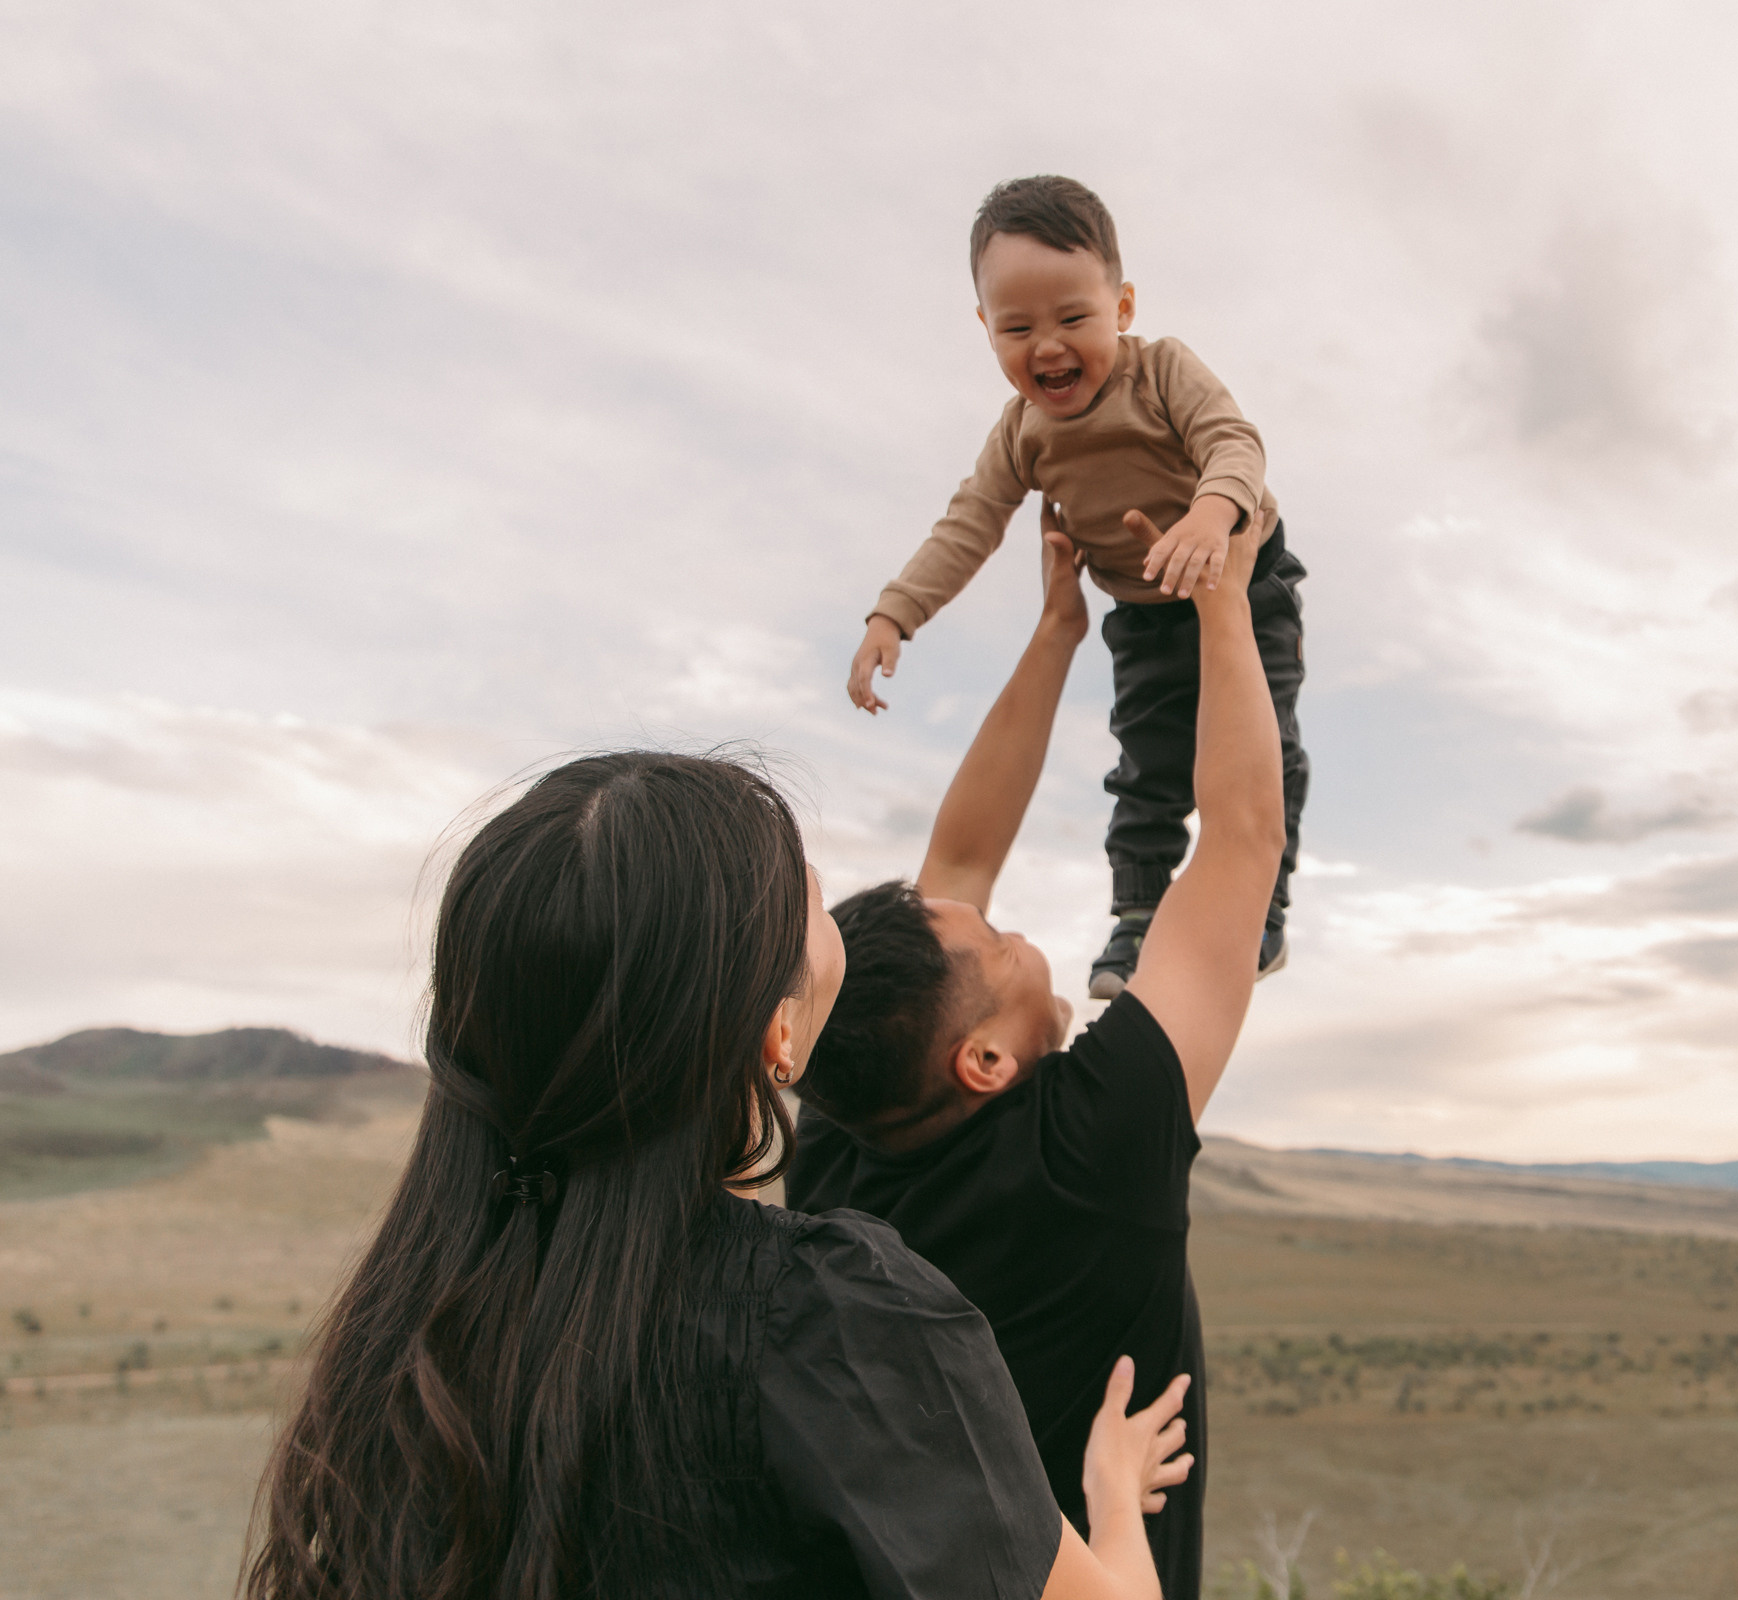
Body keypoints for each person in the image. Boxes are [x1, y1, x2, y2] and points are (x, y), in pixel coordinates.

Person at [243, 750, 1191, 1600]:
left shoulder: (404, 1334)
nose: (832, 908)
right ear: (780, 1034)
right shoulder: (832, 1321)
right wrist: (1108, 1500)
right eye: (809, 903)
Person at [792, 514, 1285, 1600]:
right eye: (997, 945)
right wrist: (1222, 597)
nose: (1017, 932)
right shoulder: (1092, 1148)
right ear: (982, 1062)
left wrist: (1060, 628)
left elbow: (961, 855)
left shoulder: (838, 1152)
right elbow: (1243, 834)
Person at [843, 173, 1309, 998]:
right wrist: (895, 613)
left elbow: (1233, 441)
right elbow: (970, 522)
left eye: (1073, 319)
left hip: (1244, 583)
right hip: (1144, 615)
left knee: (1268, 753)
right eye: (1018, 327)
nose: (1048, 346)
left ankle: (1261, 912)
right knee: (1146, 764)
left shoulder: (1162, 372)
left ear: (1122, 307)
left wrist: (1209, 516)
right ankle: (1136, 920)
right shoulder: (1022, 434)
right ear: (986, 328)